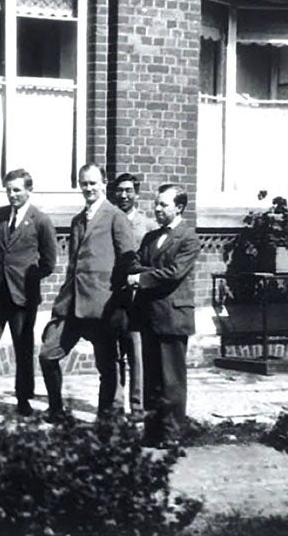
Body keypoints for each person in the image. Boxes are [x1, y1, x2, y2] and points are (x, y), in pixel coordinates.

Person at [40, 162, 136, 422]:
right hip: (72, 305)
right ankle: (56, 409)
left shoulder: (116, 216)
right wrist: (62, 302)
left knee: (107, 366)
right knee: (48, 354)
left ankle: (108, 417)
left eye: (93, 183)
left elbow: (128, 260)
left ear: (104, 183)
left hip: (102, 306)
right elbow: (73, 265)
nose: (88, 188)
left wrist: (120, 304)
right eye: (84, 183)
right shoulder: (77, 220)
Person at [0, 168, 57, 415]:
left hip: (23, 295)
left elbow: (49, 262)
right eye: (8, 190)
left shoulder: (40, 220)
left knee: (23, 347)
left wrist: (29, 278)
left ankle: (23, 398)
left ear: (29, 190)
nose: (12, 195)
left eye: (17, 190)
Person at [127, 184, 201, 446]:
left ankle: (171, 435)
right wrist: (147, 273)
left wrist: (142, 277)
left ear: (179, 207)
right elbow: (134, 263)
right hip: (149, 315)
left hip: (172, 317)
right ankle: (153, 432)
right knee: (152, 380)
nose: (157, 209)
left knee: (172, 381)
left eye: (163, 205)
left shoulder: (188, 238)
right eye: (156, 204)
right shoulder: (150, 238)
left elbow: (173, 274)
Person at [113, 173, 158, 417]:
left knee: (136, 352)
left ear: (136, 194)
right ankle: (117, 404)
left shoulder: (148, 226)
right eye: (120, 190)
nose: (124, 195)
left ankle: (137, 405)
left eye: (129, 190)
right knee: (114, 353)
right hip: (113, 296)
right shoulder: (108, 220)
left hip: (137, 298)